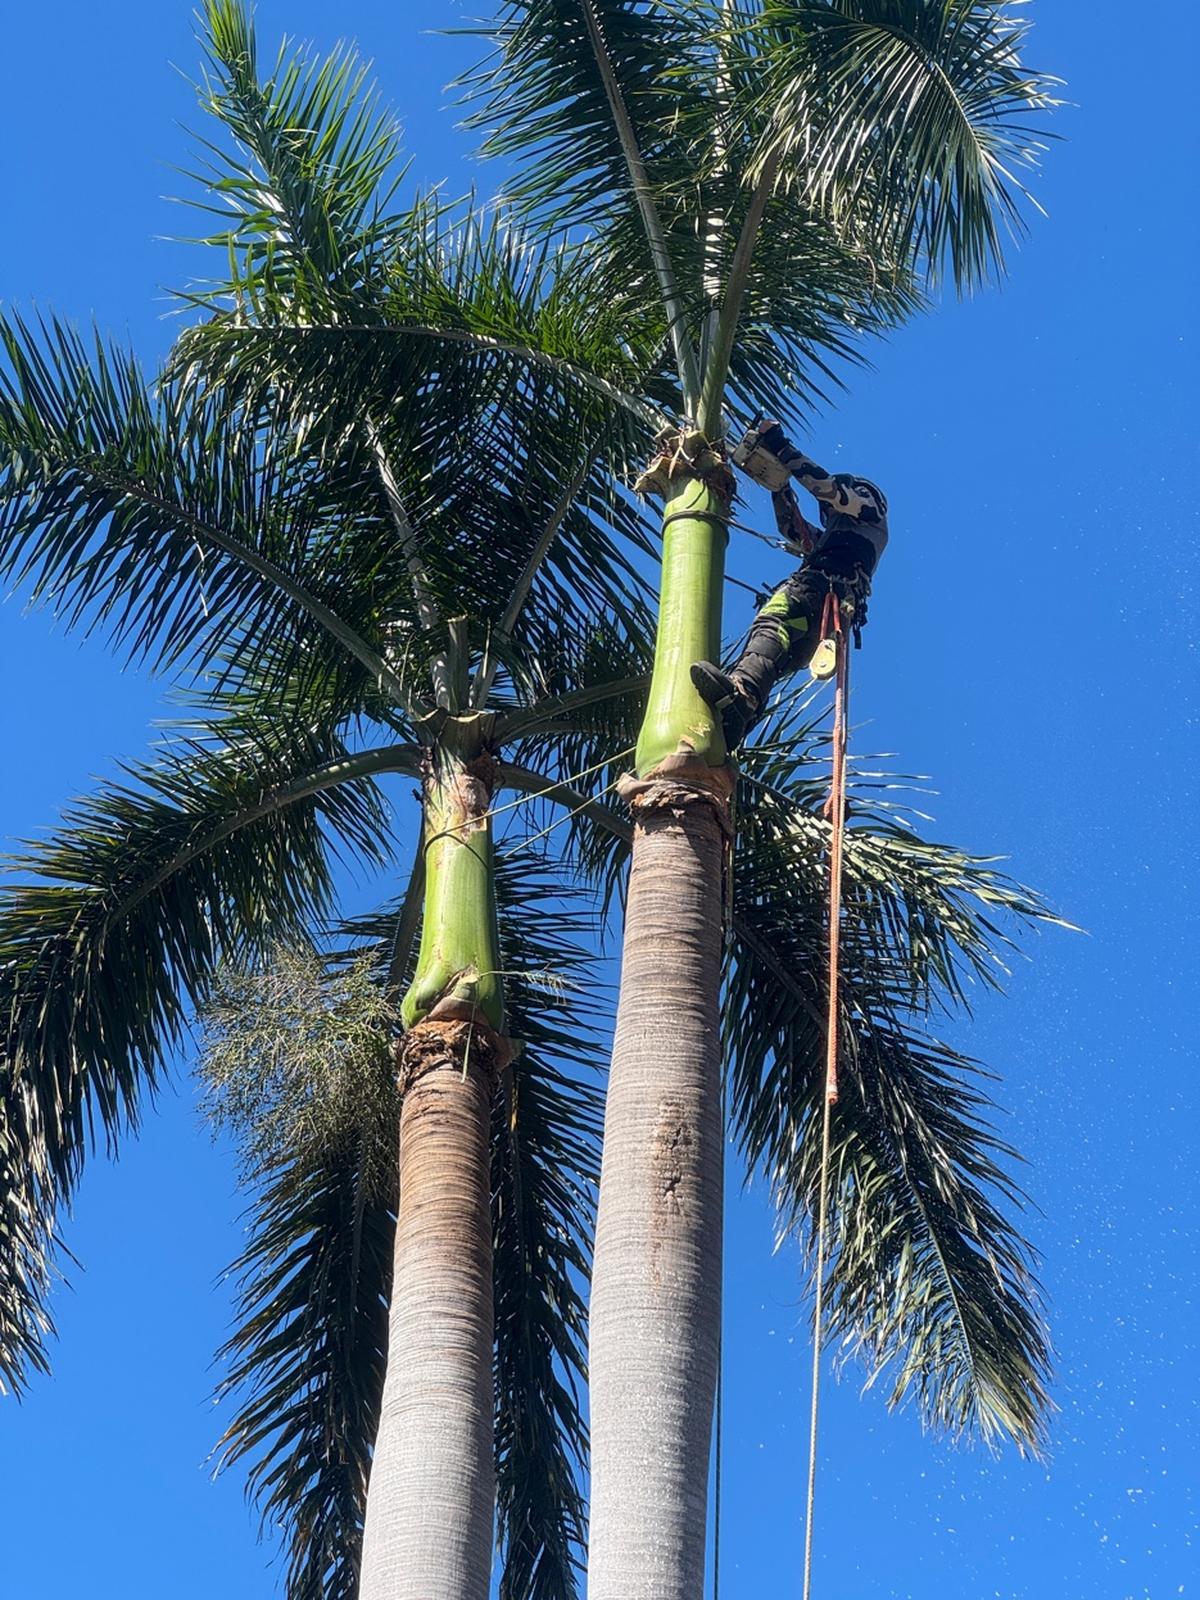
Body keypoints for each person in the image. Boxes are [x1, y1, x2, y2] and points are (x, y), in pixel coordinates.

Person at [691, 420, 889, 747]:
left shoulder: (869, 513)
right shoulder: (835, 537)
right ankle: (739, 719)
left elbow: (827, 489)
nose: (826, 513)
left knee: (773, 623)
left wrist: (781, 448)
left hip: (817, 596)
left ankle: (741, 696)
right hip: (822, 625)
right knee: (771, 656)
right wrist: (778, 486)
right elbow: (792, 530)